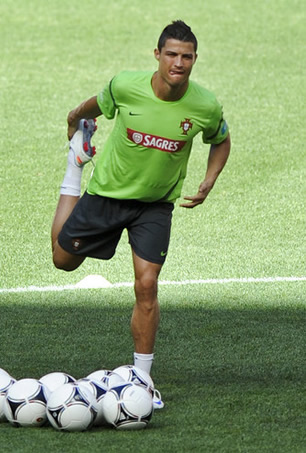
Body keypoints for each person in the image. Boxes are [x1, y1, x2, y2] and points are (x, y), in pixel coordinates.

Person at [51, 20, 231, 408]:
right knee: (62, 260)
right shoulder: (126, 86)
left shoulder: (205, 105)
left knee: (147, 284)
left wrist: (209, 179)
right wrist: (74, 122)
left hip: (154, 206)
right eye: (171, 55)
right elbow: (89, 108)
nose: (178, 63)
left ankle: (142, 382)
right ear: (157, 55)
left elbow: (221, 139)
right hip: (107, 194)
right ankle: (73, 167)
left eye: (186, 57)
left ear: (195, 59)